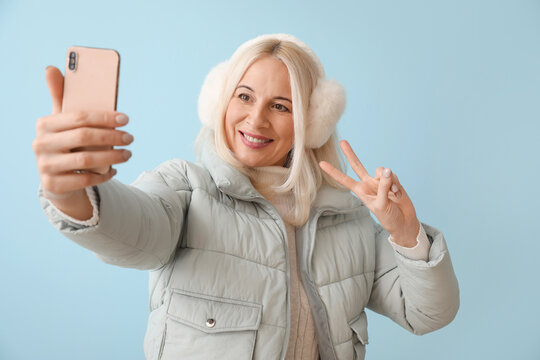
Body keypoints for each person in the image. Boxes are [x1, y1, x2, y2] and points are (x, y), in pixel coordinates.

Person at [33, 34, 459, 360]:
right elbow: (130, 229)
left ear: (310, 123)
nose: (256, 119)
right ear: (221, 102)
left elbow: (428, 315)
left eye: (281, 105)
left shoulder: (348, 218)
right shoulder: (185, 189)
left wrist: (407, 234)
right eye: (244, 96)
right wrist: (72, 190)